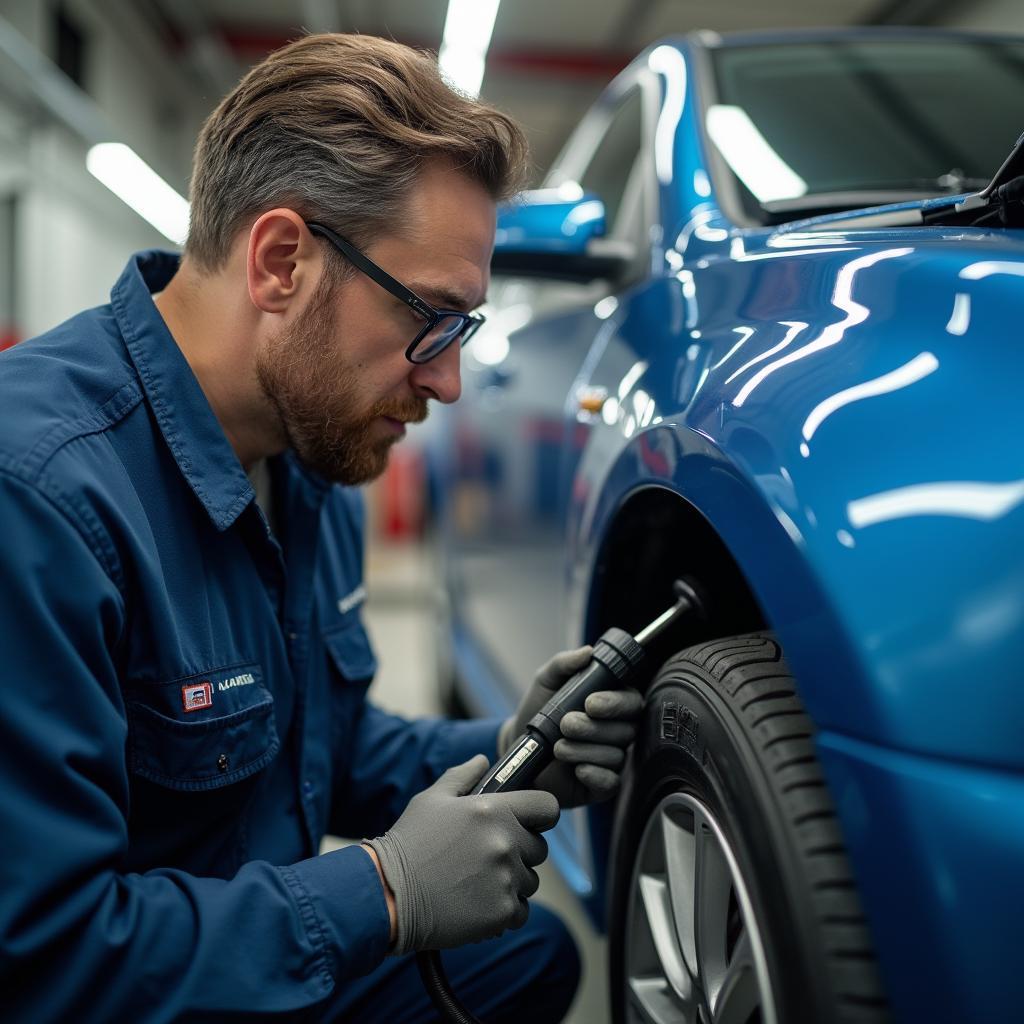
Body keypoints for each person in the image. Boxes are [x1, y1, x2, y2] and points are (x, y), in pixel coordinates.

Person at [0, 32, 643, 1024]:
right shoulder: (39, 495)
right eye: (429, 318)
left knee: (525, 958)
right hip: (113, 988)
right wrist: (381, 891)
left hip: (223, 956)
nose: (448, 380)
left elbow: (318, 755)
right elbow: (43, 958)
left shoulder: (307, 457)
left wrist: (512, 746)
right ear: (282, 261)